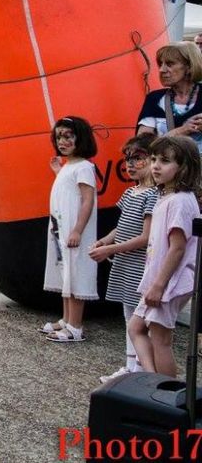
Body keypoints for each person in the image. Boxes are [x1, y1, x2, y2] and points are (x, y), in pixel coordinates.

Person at [128, 135, 202, 376]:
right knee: (136, 327)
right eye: (154, 159)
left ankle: (166, 388)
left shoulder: (180, 201)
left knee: (160, 339)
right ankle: (152, 379)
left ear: (184, 167)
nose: (156, 166)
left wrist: (159, 285)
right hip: (159, 280)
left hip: (170, 282)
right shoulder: (167, 197)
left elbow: (178, 247)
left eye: (165, 161)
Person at [89, 133, 157, 383]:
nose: (130, 164)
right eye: (127, 159)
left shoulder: (153, 195)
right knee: (129, 314)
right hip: (126, 262)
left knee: (140, 319)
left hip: (140, 264)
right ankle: (130, 365)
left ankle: (139, 367)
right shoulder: (131, 193)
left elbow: (145, 237)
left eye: (138, 158)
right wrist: (106, 240)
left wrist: (110, 250)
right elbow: (122, 225)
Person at [41, 116, 98, 343]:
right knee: (65, 272)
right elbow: (67, 189)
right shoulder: (69, 166)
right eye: (59, 137)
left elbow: (87, 200)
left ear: (80, 138)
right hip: (60, 229)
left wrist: (77, 230)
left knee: (75, 274)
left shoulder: (84, 167)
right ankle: (66, 319)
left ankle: (75, 325)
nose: (62, 141)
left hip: (74, 231)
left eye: (68, 136)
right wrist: (57, 170)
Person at [136, 42, 202, 152]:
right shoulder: (154, 99)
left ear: (189, 66)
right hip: (166, 161)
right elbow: (141, 145)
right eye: (160, 64)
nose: (162, 70)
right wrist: (180, 131)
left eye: (170, 64)